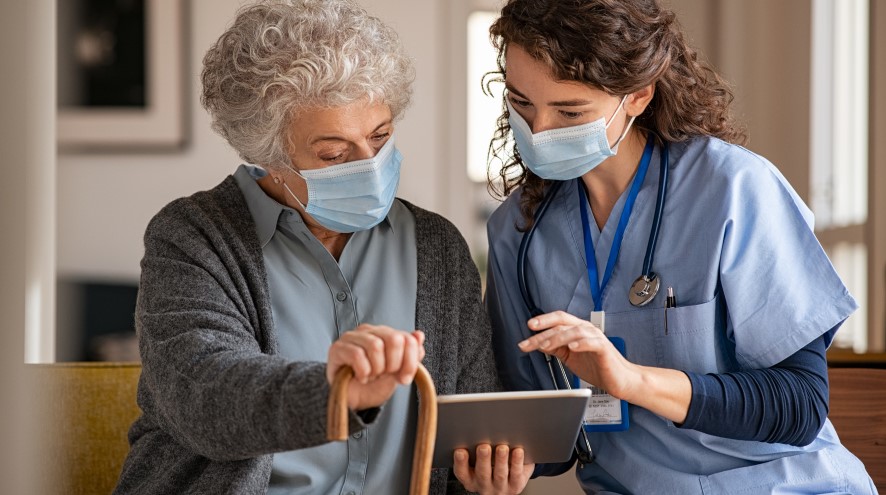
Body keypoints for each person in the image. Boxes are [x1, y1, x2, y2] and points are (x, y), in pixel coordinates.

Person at [113, 1, 531, 494]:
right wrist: (337, 392)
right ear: (267, 156)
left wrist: (487, 479)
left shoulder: (436, 246)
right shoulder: (193, 236)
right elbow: (203, 397)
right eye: (334, 154)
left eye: (380, 137)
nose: (369, 165)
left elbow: (467, 429)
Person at [482, 0, 877, 493]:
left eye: (570, 111)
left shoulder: (733, 189)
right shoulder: (518, 232)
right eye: (521, 103)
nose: (539, 131)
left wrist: (632, 380)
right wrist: (503, 463)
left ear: (638, 95)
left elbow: (799, 403)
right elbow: (543, 431)